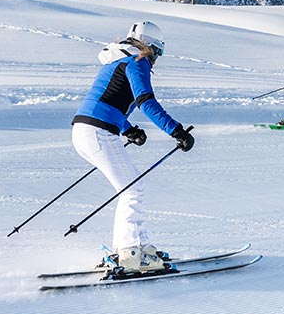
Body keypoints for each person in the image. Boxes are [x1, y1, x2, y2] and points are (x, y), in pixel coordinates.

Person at [71, 21, 195, 275]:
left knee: (128, 188)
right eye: (157, 53)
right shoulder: (137, 61)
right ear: (150, 47)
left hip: (84, 130)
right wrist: (176, 130)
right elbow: (145, 100)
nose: (156, 60)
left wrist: (128, 129)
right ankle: (131, 253)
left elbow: (107, 100)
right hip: (98, 133)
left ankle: (132, 247)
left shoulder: (117, 60)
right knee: (133, 189)